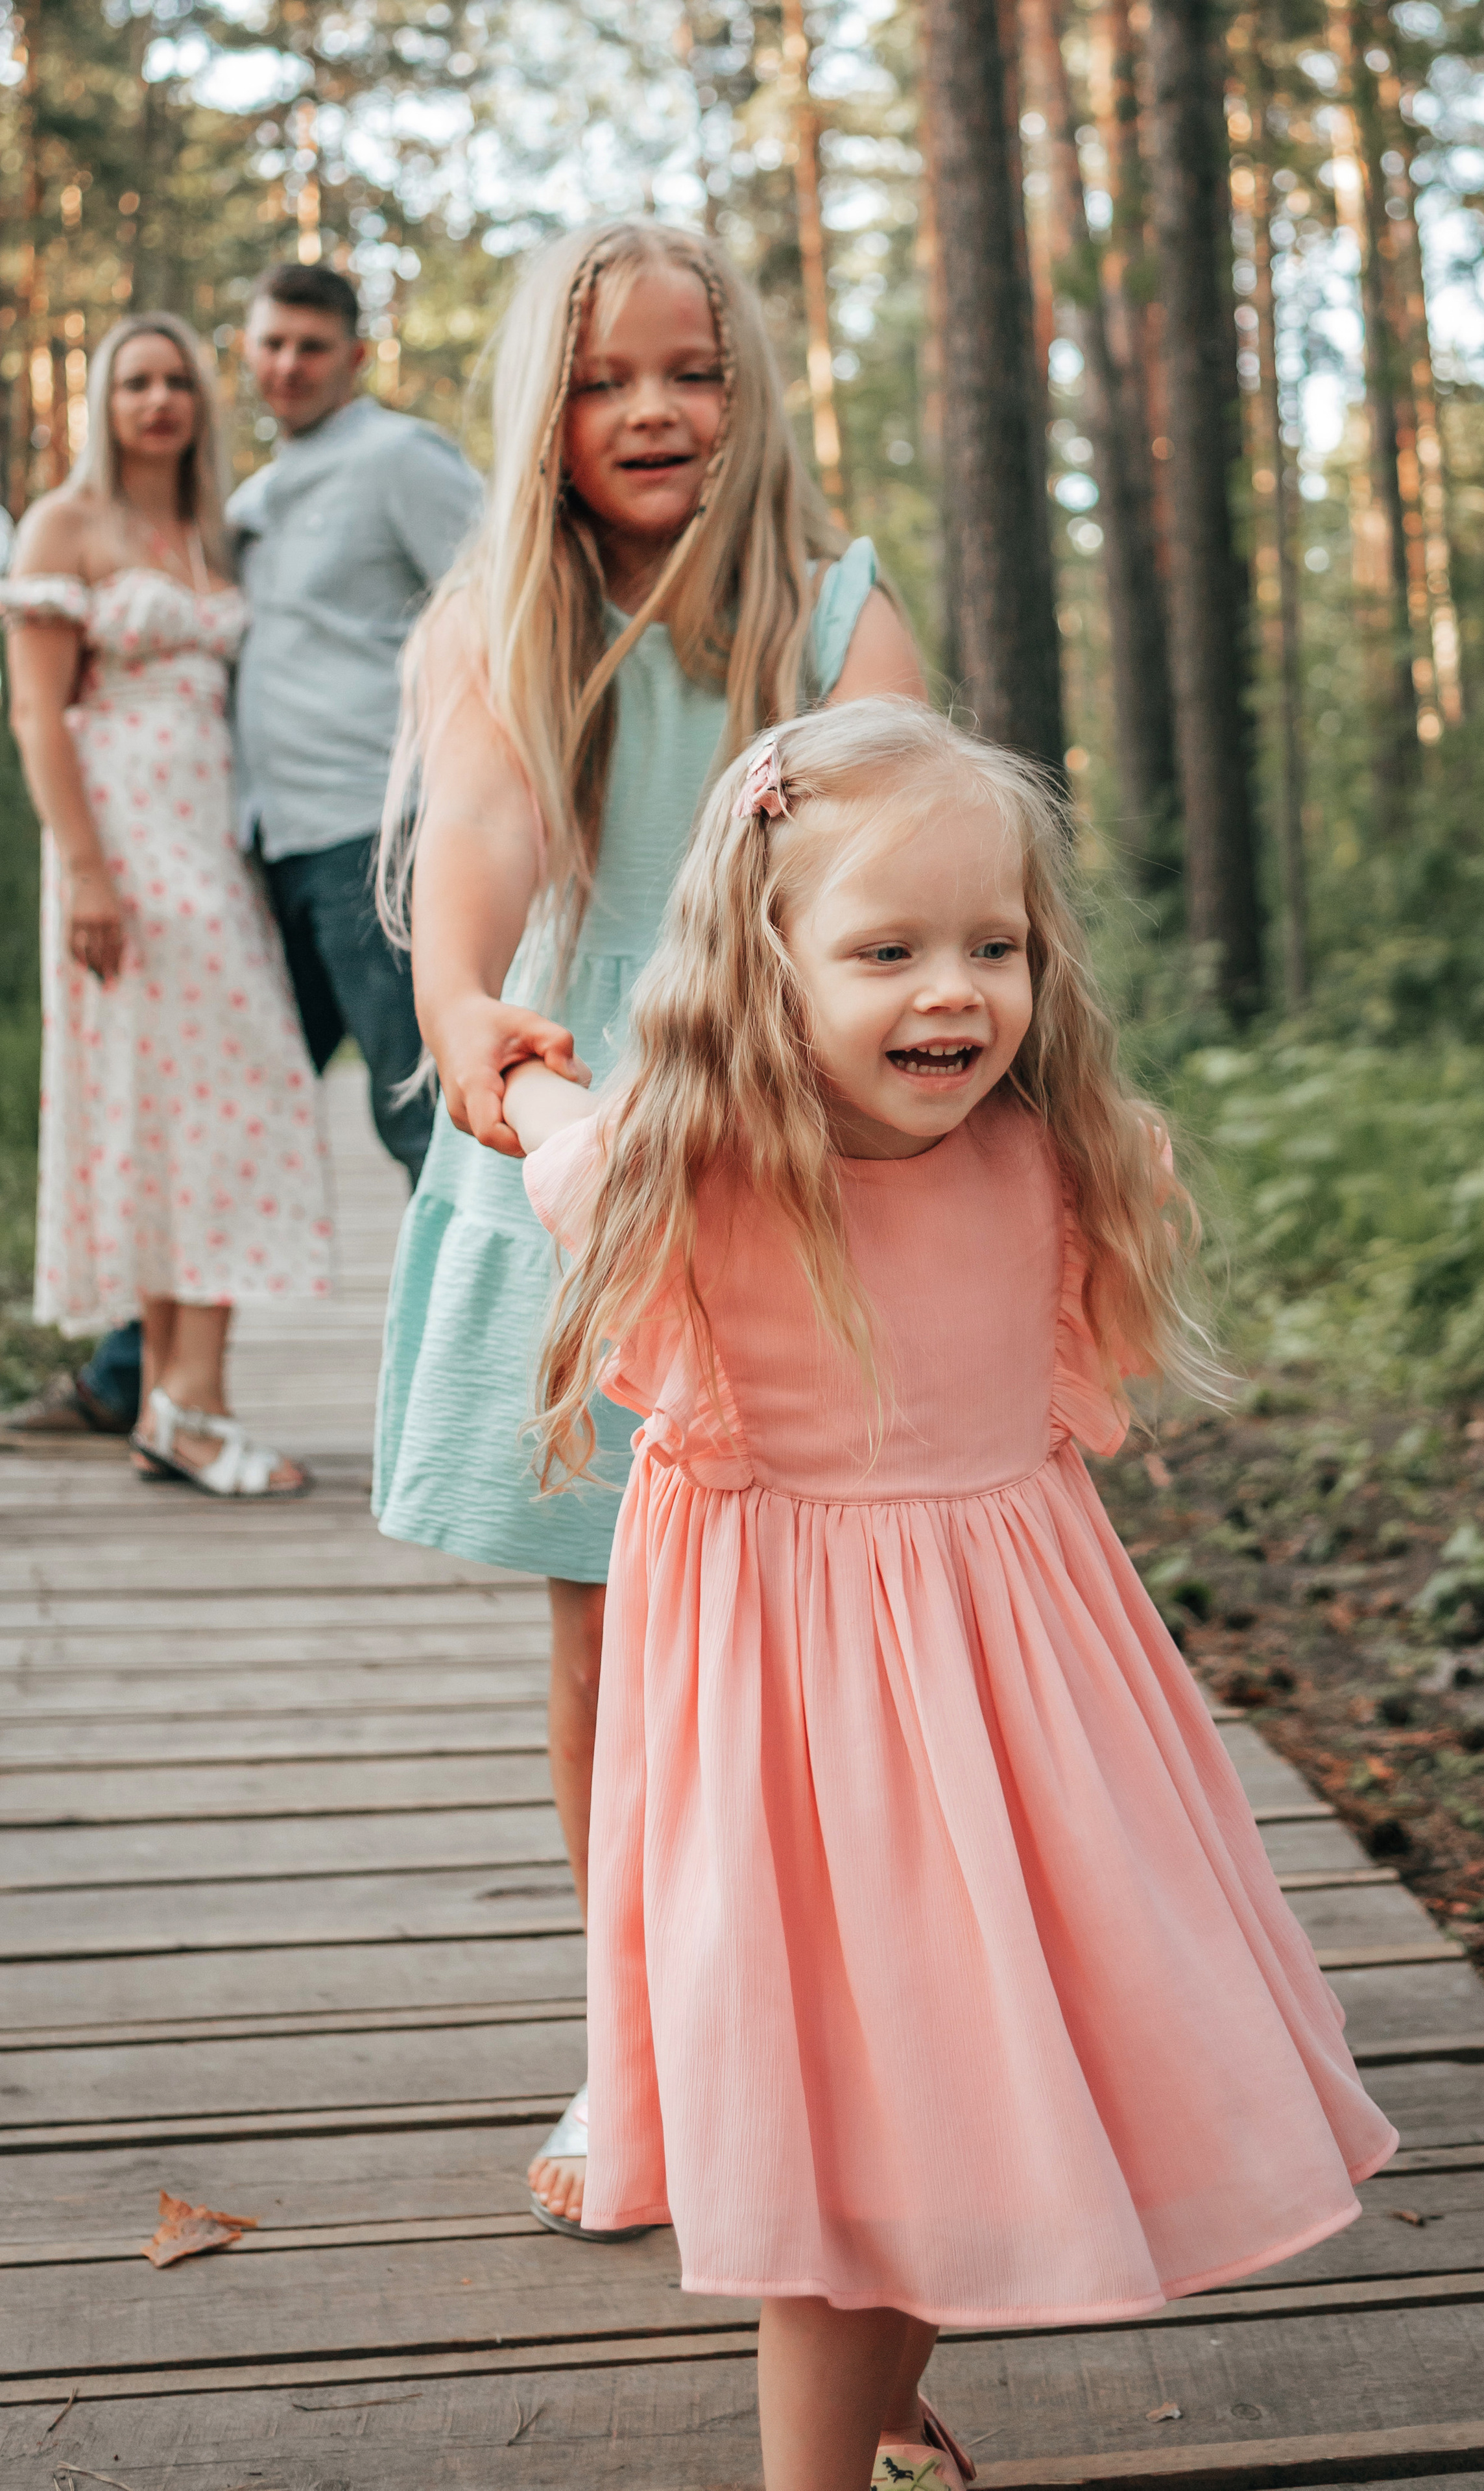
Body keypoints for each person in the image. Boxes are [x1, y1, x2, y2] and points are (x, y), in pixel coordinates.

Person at [505, 699, 1398, 2491]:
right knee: (850, 2151)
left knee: (973, 2105)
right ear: (764, 966)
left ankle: (886, 2428)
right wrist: (514, 1065)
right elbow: (556, 1141)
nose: (953, 993)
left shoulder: (1061, 1162)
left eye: (994, 946)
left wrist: (519, 1076)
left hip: (1024, 1734)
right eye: (887, 949)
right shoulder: (693, 1177)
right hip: (797, 1760)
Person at [371, 219, 926, 2235]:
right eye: (605, 382)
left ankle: (847, 2025)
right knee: (610, 1629)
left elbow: (899, 847)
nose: (653, 412)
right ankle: (642, 2050)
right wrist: (471, 1027)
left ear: (745, 383)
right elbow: (488, 854)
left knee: (824, 1628)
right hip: (579, 1146)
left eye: (689, 370)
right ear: (545, 413)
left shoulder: (832, 612)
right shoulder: (499, 621)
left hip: (790, 1151)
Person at [1, 313, 331, 1495]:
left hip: (216, 846)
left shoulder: (214, 532)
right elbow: (39, 715)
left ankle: (175, 1404)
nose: (157, 401)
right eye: (135, 381)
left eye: (176, 380)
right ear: (107, 400)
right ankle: (189, 1404)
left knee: (205, 1110)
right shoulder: (64, 525)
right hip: (122, 851)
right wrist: (86, 871)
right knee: (190, 1106)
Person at [228, 260, 482, 1183]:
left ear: (356, 357)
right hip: (269, 843)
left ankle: (488, 1327)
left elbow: (503, 603)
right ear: (247, 350)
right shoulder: (251, 499)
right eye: (272, 343)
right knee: (231, 1097)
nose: (288, 364)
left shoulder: (399, 458)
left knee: (420, 1112)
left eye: (312, 347)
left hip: (377, 828)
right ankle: (149, 1334)